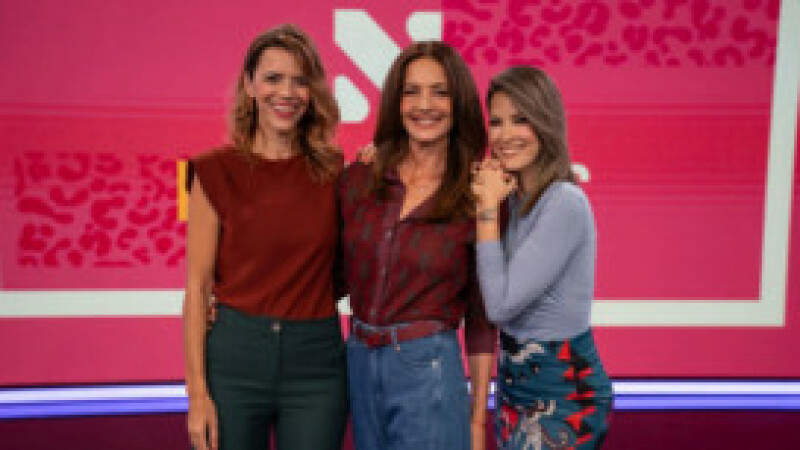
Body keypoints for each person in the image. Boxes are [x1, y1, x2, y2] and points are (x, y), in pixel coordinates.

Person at [183, 24, 347, 450]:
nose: (286, 92)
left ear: (312, 92)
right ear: (250, 85)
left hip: (316, 363)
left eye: (299, 81)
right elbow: (197, 288)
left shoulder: (336, 172)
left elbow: (348, 268)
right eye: (273, 78)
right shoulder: (212, 171)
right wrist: (197, 395)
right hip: (235, 360)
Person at [337, 41, 495, 450]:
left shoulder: (479, 193)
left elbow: (482, 317)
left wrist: (478, 418)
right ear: (396, 101)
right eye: (412, 91)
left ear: (459, 103)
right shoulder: (359, 179)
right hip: (358, 361)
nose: (425, 105)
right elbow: (327, 276)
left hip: (429, 368)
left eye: (440, 92)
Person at [471, 66, 612, 449]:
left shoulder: (564, 201)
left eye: (521, 120)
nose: (505, 135)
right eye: (496, 122)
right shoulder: (512, 200)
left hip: (563, 393)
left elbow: (499, 305)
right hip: (515, 388)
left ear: (545, 122)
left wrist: (486, 210)